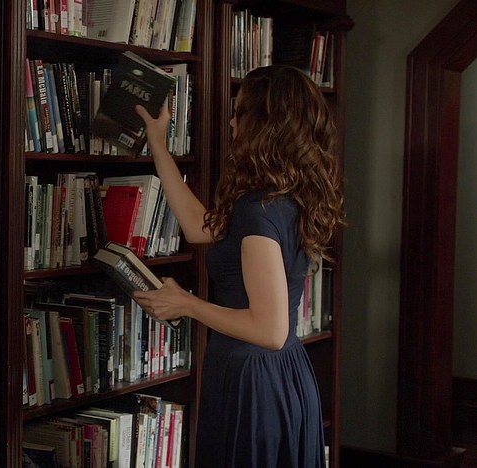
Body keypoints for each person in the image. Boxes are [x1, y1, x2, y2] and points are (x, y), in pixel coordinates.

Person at [133, 65, 345, 467]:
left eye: (239, 113)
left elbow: (269, 330)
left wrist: (186, 304)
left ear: (264, 125)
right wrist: (158, 144)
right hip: (279, 372)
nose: (231, 123)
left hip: (253, 378)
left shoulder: (257, 210)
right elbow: (197, 226)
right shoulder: (285, 196)